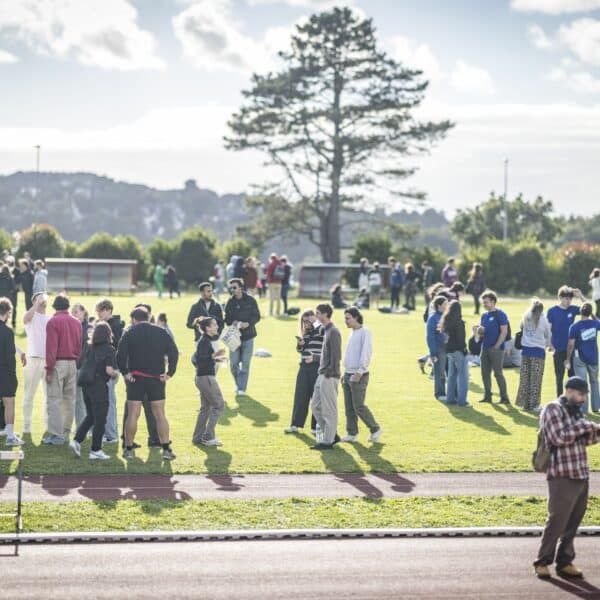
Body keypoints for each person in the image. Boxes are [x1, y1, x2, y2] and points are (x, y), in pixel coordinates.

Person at [533, 376, 600, 580]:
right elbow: (557, 437)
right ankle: (542, 562)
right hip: (561, 474)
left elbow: (583, 440)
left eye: (585, 395)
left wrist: (595, 432)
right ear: (569, 391)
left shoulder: (575, 412)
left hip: (580, 472)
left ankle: (565, 562)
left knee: (573, 521)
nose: (583, 399)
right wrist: (585, 427)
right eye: (581, 394)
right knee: (557, 520)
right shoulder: (553, 409)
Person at [117, 306, 179, 460]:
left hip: (136, 379)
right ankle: (166, 449)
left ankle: (129, 449)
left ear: (133, 319)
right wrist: (170, 373)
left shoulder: (130, 332)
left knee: (133, 414)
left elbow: (120, 355)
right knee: (160, 414)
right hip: (156, 379)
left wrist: (125, 373)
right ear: (149, 317)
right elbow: (174, 352)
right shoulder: (161, 331)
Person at [70, 321, 118, 460]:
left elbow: (80, 363)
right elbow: (109, 370)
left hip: (86, 385)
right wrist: (115, 374)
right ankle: (95, 450)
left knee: (91, 416)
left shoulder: (89, 347)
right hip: (98, 386)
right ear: (109, 334)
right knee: (100, 419)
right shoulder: (109, 349)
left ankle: (77, 440)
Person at [43, 294, 82, 445]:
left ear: (54, 306)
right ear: (67, 306)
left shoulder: (53, 322)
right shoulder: (76, 322)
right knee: (69, 401)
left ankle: (56, 435)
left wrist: (49, 369)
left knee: (54, 400)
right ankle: (65, 433)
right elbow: (79, 345)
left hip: (57, 364)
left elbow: (51, 348)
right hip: (72, 363)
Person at [340, 307, 382, 443]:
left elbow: (366, 352)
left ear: (356, 317)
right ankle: (352, 433)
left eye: (348, 318)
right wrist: (345, 373)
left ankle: (375, 429)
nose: (345, 321)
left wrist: (360, 371)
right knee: (349, 407)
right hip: (348, 374)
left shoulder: (365, 332)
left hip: (359, 375)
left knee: (359, 406)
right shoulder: (352, 333)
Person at [285, 310, 322, 434]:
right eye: (304, 321)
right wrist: (300, 344)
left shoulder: (321, 330)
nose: (306, 324)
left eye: (308, 320)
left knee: (316, 398)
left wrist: (315, 322)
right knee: (300, 396)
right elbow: (300, 350)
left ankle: (315, 426)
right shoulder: (305, 334)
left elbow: (324, 333)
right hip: (304, 367)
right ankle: (295, 424)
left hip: (316, 367)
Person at [310, 304, 341, 450]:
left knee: (329, 410)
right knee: (315, 406)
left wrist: (329, 373)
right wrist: (316, 358)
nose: (316, 316)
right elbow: (326, 353)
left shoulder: (334, 332)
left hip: (329, 375)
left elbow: (336, 356)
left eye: (317, 313)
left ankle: (328, 441)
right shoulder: (326, 330)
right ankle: (331, 434)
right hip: (321, 374)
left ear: (325, 314)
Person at [192, 317, 226, 446]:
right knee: (219, 405)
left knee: (205, 408)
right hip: (206, 378)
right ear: (207, 328)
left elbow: (200, 360)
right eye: (215, 325)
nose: (217, 327)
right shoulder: (204, 341)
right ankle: (208, 437)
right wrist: (215, 355)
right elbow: (200, 360)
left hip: (202, 377)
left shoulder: (205, 341)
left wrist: (216, 359)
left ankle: (197, 438)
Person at [95, 298, 125, 444]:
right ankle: (107, 433)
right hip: (108, 368)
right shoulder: (111, 324)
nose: (98, 313)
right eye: (97, 311)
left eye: (100, 310)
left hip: (111, 368)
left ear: (108, 310)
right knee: (105, 402)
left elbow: (113, 350)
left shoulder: (115, 326)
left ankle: (112, 435)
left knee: (109, 403)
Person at [224, 278, 261, 395]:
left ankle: (241, 389)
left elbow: (257, 316)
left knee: (245, 364)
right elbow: (227, 319)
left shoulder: (251, 300)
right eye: (231, 288)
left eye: (234, 287)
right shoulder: (230, 302)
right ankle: (239, 384)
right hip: (234, 336)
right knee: (233, 364)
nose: (232, 290)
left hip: (248, 336)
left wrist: (248, 323)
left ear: (241, 287)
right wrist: (232, 322)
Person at [547, 286, 585, 398]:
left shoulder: (572, 309)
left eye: (570, 299)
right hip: (558, 349)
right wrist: (549, 344)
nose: (568, 301)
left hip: (571, 349)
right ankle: (559, 400)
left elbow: (588, 309)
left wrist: (581, 296)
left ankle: (571, 400)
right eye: (566, 298)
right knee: (559, 376)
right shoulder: (552, 311)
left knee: (572, 377)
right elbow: (548, 329)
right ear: (560, 298)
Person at [22, 292, 51, 434]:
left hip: (48, 362)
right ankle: (26, 427)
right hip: (33, 360)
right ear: (33, 301)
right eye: (39, 299)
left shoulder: (50, 318)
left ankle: (48, 426)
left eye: (44, 298)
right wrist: (36, 303)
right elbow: (25, 318)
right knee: (28, 396)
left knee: (48, 397)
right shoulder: (30, 316)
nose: (42, 301)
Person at [516, 298, 551, 413]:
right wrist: (547, 346)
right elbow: (548, 335)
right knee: (536, 380)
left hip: (525, 351)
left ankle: (525, 404)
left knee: (525, 379)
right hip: (538, 352)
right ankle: (535, 405)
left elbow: (520, 327)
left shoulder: (526, 316)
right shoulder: (543, 319)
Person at [566, 302, 600, 414]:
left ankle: (584, 411)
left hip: (579, 358)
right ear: (590, 313)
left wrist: (567, 358)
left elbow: (571, 344)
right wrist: (593, 316)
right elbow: (598, 321)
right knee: (594, 382)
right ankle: (596, 407)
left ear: (580, 312)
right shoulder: (595, 324)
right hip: (593, 357)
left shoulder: (574, 327)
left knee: (582, 385)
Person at [478, 290, 511, 404]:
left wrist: (496, 346)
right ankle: (487, 396)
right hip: (485, 348)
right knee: (484, 373)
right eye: (483, 302)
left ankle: (504, 398)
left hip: (496, 349)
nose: (484, 304)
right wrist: (479, 331)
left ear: (493, 302)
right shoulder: (484, 315)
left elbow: (504, 332)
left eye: (486, 302)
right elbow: (483, 332)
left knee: (498, 374)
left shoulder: (500, 314)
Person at [0, 297, 25, 446]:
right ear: (8, 312)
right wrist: (13, 377)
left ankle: (5, 431)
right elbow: (10, 357)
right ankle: (10, 437)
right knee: (9, 403)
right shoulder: (8, 331)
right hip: (5, 372)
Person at [439, 300, 470, 407]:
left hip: (449, 352)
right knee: (463, 377)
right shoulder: (459, 322)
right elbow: (461, 340)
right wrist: (465, 350)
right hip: (458, 351)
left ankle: (450, 398)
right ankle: (462, 401)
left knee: (452, 376)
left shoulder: (446, 321)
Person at [71, 303, 91, 429]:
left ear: (84, 312)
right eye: (72, 312)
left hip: (84, 369)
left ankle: (84, 428)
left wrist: (79, 365)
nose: (73, 314)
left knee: (83, 401)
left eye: (76, 312)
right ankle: (80, 427)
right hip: (73, 368)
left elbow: (87, 349)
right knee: (76, 400)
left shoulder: (89, 328)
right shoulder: (72, 326)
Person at [427, 296, 448, 401]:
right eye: (445, 304)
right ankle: (439, 393)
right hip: (438, 349)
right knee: (439, 372)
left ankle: (448, 393)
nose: (447, 306)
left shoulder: (447, 316)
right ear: (439, 305)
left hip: (448, 348)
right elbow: (430, 337)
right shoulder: (433, 318)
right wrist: (433, 352)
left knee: (447, 372)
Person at [6, 256, 20, 329]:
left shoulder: (17, 270)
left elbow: (18, 282)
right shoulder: (5, 269)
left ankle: (13, 322)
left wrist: (14, 289)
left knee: (14, 307)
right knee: (5, 307)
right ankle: (5, 321)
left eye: (8, 262)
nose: (7, 263)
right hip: (7, 292)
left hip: (14, 293)